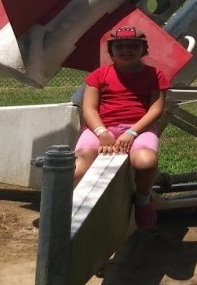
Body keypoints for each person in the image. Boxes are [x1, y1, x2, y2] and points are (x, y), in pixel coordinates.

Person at [73, 26, 170, 229]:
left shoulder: (155, 75)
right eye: (120, 46)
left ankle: (143, 200)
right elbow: (89, 109)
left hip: (138, 129)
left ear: (143, 49)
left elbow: (156, 109)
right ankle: (73, 209)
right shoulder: (99, 75)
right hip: (100, 128)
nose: (126, 50)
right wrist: (102, 133)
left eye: (133, 45)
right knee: (78, 171)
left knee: (146, 163)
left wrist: (132, 132)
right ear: (111, 50)